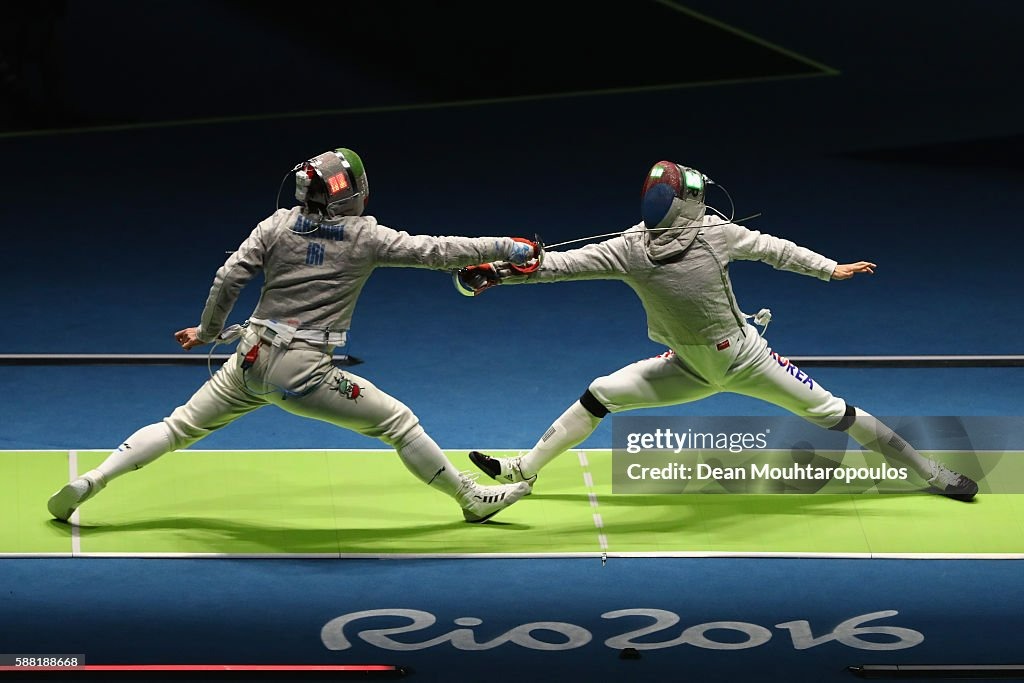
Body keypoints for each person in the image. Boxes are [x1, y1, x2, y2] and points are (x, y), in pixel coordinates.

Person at [48, 147, 536, 524]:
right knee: (399, 423)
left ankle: (94, 479)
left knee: (177, 427)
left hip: (247, 358)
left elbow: (228, 277)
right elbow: (439, 251)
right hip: (305, 371)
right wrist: (507, 247)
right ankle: (470, 500)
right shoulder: (367, 236)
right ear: (352, 193)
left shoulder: (276, 225)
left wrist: (209, 331)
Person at [458, 159, 979, 501]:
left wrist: (828, 267)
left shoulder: (717, 234)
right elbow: (560, 265)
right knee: (599, 395)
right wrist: (501, 272)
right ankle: (523, 470)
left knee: (839, 414)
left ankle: (929, 472)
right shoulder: (629, 248)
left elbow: (773, 248)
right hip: (685, 365)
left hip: (748, 360)